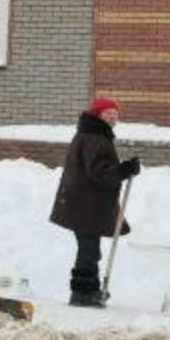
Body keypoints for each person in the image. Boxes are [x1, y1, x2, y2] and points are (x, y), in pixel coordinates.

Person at [50, 94, 140, 309]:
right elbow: (100, 173)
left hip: (84, 203)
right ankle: (81, 293)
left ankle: (89, 289)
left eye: (115, 114)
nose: (112, 117)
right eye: (108, 113)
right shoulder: (94, 138)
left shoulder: (93, 134)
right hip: (84, 204)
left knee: (90, 248)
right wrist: (125, 170)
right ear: (98, 115)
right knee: (88, 249)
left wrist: (122, 169)